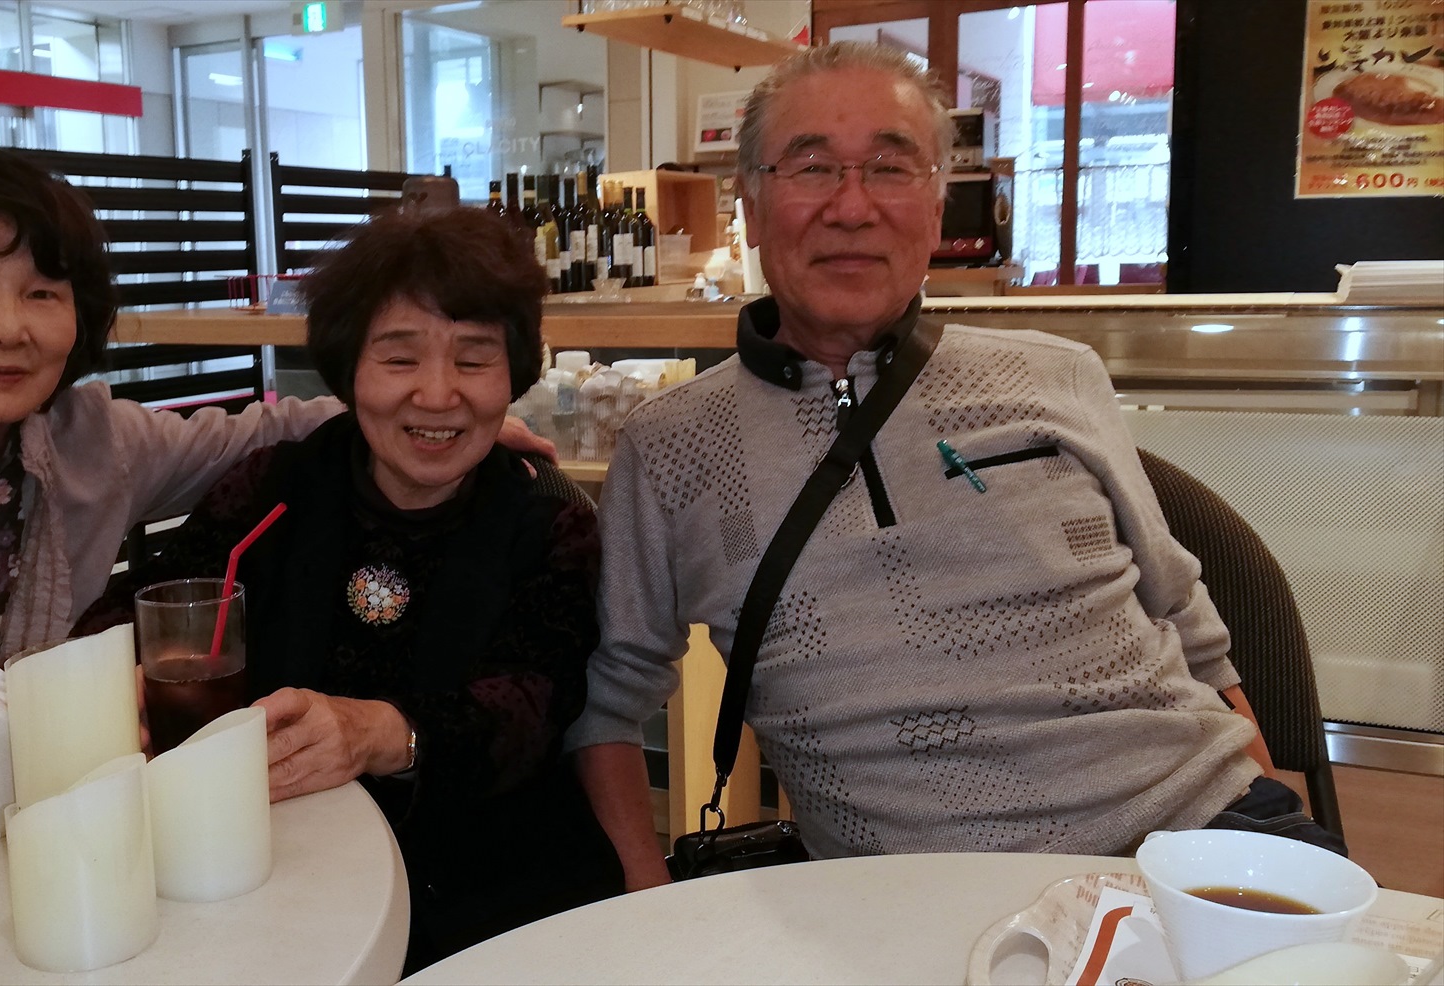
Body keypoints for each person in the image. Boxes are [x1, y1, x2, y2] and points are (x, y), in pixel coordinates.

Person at [569, 42, 1336, 892]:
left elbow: (1183, 615)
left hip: (1188, 831)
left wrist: (1267, 832)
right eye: (811, 167)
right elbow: (608, 699)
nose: (852, 207)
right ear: (751, 203)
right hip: (903, 893)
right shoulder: (670, 446)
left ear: (935, 207)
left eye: (891, 168)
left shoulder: (1057, 374)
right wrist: (645, 897)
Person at [0, 147, 548, 662]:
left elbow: (258, 431)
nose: (10, 327)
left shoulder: (93, 441)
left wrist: (436, 418)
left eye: (44, 294)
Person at [76, 208, 622, 972]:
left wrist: (379, 732)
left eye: (473, 360)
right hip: (265, 888)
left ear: (514, 374)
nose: (438, 394)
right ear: (348, 370)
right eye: (399, 359)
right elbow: (140, 610)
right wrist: (126, 679)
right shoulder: (273, 491)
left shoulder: (548, 524)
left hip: (488, 906)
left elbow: (529, 710)